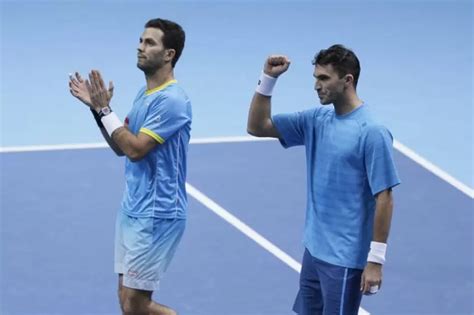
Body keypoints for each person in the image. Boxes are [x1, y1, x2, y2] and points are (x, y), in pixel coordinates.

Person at [247, 44, 400, 314]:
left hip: (344, 260)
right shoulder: (316, 119)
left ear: (347, 81)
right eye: (316, 78)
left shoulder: (372, 132)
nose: (317, 86)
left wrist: (375, 260)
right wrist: (268, 79)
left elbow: (385, 198)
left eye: (324, 78)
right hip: (314, 250)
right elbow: (258, 127)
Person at [68, 18, 191, 315]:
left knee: (137, 305)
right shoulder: (144, 95)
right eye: (140, 40)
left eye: (149, 42)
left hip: (156, 213)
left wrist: (105, 109)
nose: (140, 46)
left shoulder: (172, 100)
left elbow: (136, 151)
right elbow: (120, 147)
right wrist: (98, 113)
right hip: (132, 209)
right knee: (127, 302)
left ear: (169, 54)